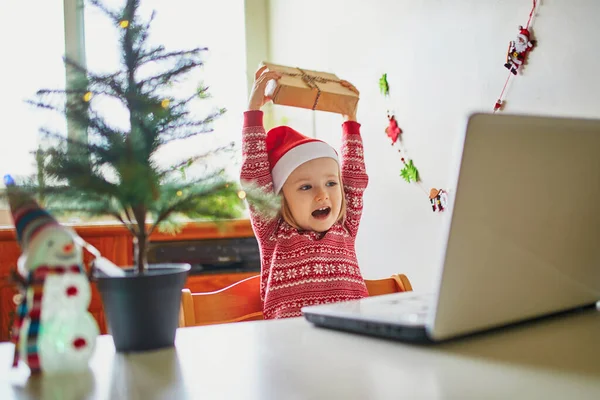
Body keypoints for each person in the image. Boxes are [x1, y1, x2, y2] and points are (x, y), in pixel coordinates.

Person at [240, 65, 369, 319]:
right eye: (306, 187)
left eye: (331, 183)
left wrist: (350, 119)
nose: (322, 195)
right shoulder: (274, 234)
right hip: (293, 348)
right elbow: (254, 178)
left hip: (351, 345)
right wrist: (253, 112)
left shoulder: (344, 227)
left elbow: (354, 179)